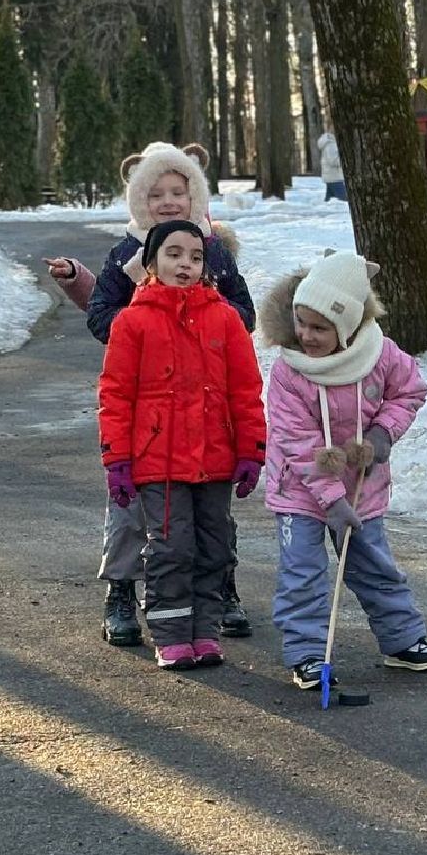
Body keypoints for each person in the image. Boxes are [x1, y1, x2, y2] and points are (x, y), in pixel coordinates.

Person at [42, 142, 257, 649]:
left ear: (194, 196)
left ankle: (221, 591)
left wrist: (207, 321)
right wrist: (148, 326)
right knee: (133, 512)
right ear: (139, 199)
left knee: (209, 515)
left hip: (206, 409)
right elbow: (101, 316)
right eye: (155, 193)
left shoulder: (215, 252)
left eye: (178, 192)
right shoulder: (127, 255)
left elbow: (243, 316)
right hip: (149, 410)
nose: (168, 201)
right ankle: (120, 590)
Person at [258, 249, 427, 690]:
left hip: (362, 485)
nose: (306, 335)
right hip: (302, 490)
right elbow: (296, 440)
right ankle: (307, 653)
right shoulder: (290, 371)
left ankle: (403, 641)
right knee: (303, 571)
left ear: (346, 327)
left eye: (319, 328)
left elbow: (410, 392)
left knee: (373, 564)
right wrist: (330, 500)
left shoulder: (381, 355)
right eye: (301, 322)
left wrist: (383, 434)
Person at [99, 219, 266, 670]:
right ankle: (172, 635)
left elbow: (245, 389)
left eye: (195, 257)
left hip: (215, 458)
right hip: (158, 461)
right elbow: (115, 394)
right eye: (174, 254)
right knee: (171, 548)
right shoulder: (133, 322)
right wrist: (117, 459)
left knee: (214, 548)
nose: (185, 264)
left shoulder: (225, 319)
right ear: (150, 262)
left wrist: (251, 450)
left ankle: (205, 632)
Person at [316, 130, 345, 202]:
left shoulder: (330, 143)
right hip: (335, 177)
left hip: (332, 176)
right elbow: (333, 161)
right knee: (343, 200)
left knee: (329, 203)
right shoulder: (331, 144)